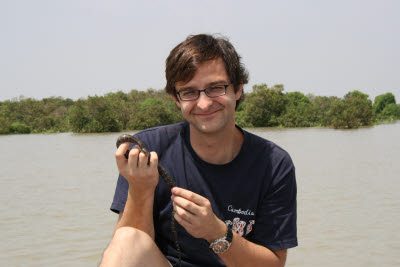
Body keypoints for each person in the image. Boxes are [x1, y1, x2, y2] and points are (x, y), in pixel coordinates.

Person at [100, 34, 297, 267]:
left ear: (238, 89)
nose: (203, 104)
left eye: (216, 88)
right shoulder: (148, 150)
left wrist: (216, 232)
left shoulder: (274, 164)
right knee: (126, 238)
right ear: (176, 98)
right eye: (189, 92)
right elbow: (130, 249)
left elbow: (274, 263)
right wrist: (140, 189)